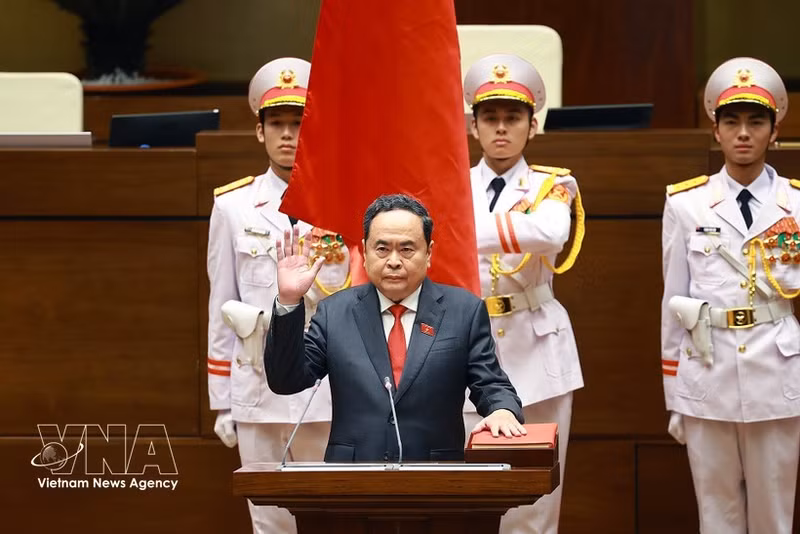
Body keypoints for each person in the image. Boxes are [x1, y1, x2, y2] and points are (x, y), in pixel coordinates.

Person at [264, 194, 525, 462]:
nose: (394, 261)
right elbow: (287, 380)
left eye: (407, 249)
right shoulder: (335, 312)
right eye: (382, 249)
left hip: (436, 478)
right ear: (364, 252)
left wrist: (502, 410)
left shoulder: (463, 311)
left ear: (429, 252)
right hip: (352, 480)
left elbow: (490, 383)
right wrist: (288, 301)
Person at [206, 57, 350, 534]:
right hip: (257, 381)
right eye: (278, 124)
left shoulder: (347, 199)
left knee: (331, 516)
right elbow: (221, 304)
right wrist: (222, 401)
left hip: (329, 384)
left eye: (299, 124)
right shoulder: (232, 206)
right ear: (259, 132)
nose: (288, 135)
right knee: (268, 520)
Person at [661, 57, 800, 534]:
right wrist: (673, 394)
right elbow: (672, 301)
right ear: (715, 131)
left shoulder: (796, 203)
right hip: (707, 370)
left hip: (777, 371)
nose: (743, 132)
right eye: (732, 121)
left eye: (756, 121)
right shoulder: (686, 203)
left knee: (774, 516)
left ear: (773, 131)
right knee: (716, 515)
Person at [462, 54, 585, 534]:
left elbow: (549, 235)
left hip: (537, 350)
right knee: (471, 494)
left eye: (512, 117)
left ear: (532, 124)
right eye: (490, 117)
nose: (501, 128)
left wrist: (455, 228)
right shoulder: (449, 179)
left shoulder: (555, 183)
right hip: (466, 347)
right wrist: (518, 226)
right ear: (473, 124)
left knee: (536, 504)